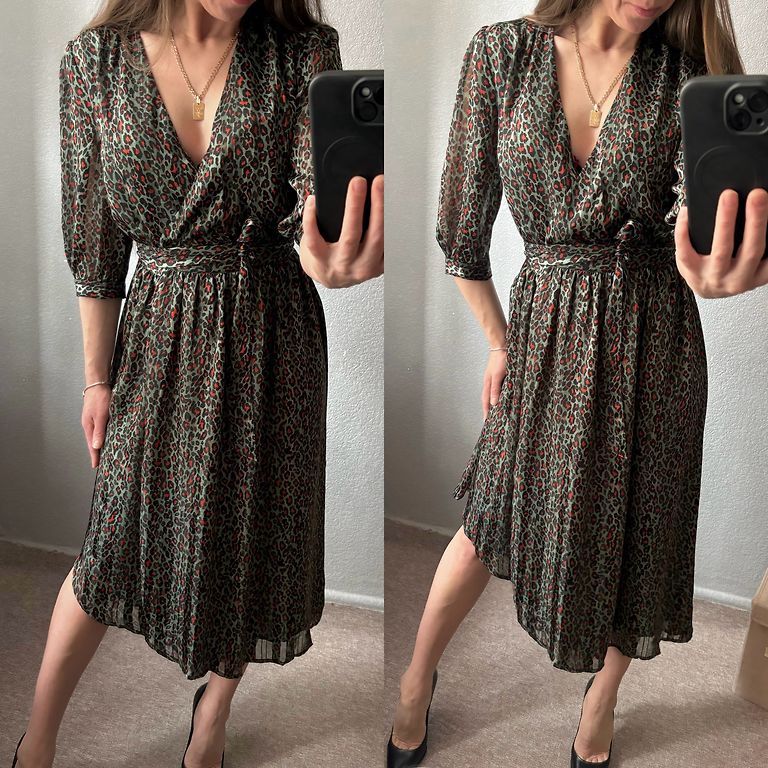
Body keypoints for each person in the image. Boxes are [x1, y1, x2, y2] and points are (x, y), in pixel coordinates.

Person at [387, 0, 764, 766]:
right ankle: (415, 679)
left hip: (656, 340)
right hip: (544, 333)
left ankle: (602, 702)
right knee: (489, 516)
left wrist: (733, 260)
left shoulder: (688, 75)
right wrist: (501, 341)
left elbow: (712, 225)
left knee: (641, 530)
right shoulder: (502, 54)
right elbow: (459, 231)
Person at [11, 1, 383, 767]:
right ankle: (38, 738)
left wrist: (335, 252)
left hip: (273, 334)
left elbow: (315, 208)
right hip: (156, 337)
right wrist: (95, 380)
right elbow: (95, 247)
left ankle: (211, 719)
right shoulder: (95, 64)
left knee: (250, 535)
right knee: (110, 547)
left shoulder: (303, 53)